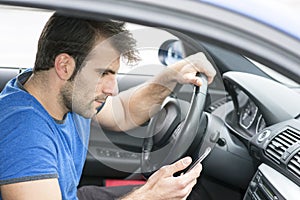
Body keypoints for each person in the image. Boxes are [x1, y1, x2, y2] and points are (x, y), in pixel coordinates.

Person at [0, 13, 216, 200]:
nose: (112, 90)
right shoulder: (23, 133)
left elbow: (122, 112)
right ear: (64, 66)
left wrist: (170, 77)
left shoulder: (61, 92)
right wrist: (149, 195)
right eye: (103, 73)